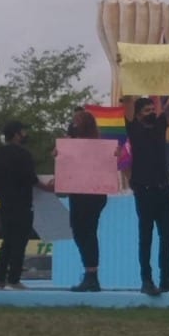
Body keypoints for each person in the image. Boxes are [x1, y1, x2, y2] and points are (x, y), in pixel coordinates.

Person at [124, 96, 169, 296]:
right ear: (137, 115)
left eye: (152, 109)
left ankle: (167, 279)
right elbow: (127, 104)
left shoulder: (160, 126)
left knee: (167, 237)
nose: (152, 113)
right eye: (146, 110)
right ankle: (146, 280)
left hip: (163, 190)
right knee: (146, 238)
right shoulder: (133, 129)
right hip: (144, 191)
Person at [0, 121, 54, 289]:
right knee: (20, 241)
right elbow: (31, 178)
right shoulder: (23, 154)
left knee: (7, 240)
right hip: (22, 202)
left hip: (4, 203)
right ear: (16, 134)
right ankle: (14, 278)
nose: (24, 135)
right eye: (22, 132)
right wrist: (47, 188)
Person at [65, 110, 111, 292]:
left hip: (91, 192)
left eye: (77, 122)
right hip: (78, 191)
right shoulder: (73, 144)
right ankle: (90, 272)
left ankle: (91, 274)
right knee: (79, 231)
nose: (74, 124)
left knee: (87, 231)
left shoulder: (97, 146)